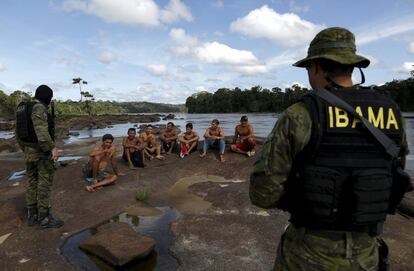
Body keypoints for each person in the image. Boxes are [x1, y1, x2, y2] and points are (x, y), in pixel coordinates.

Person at [249, 27, 409, 271]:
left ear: (315, 67)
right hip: (365, 255)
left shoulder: (300, 114)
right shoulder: (393, 113)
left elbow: (263, 193)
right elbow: (394, 174)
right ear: (352, 66)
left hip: (306, 254)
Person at [15, 84, 64, 229]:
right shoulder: (39, 108)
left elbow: (18, 133)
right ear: (48, 97)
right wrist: (52, 149)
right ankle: (44, 218)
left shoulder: (23, 107)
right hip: (41, 153)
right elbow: (42, 133)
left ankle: (32, 215)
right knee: (44, 184)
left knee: (32, 182)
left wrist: (25, 149)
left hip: (29, 151)